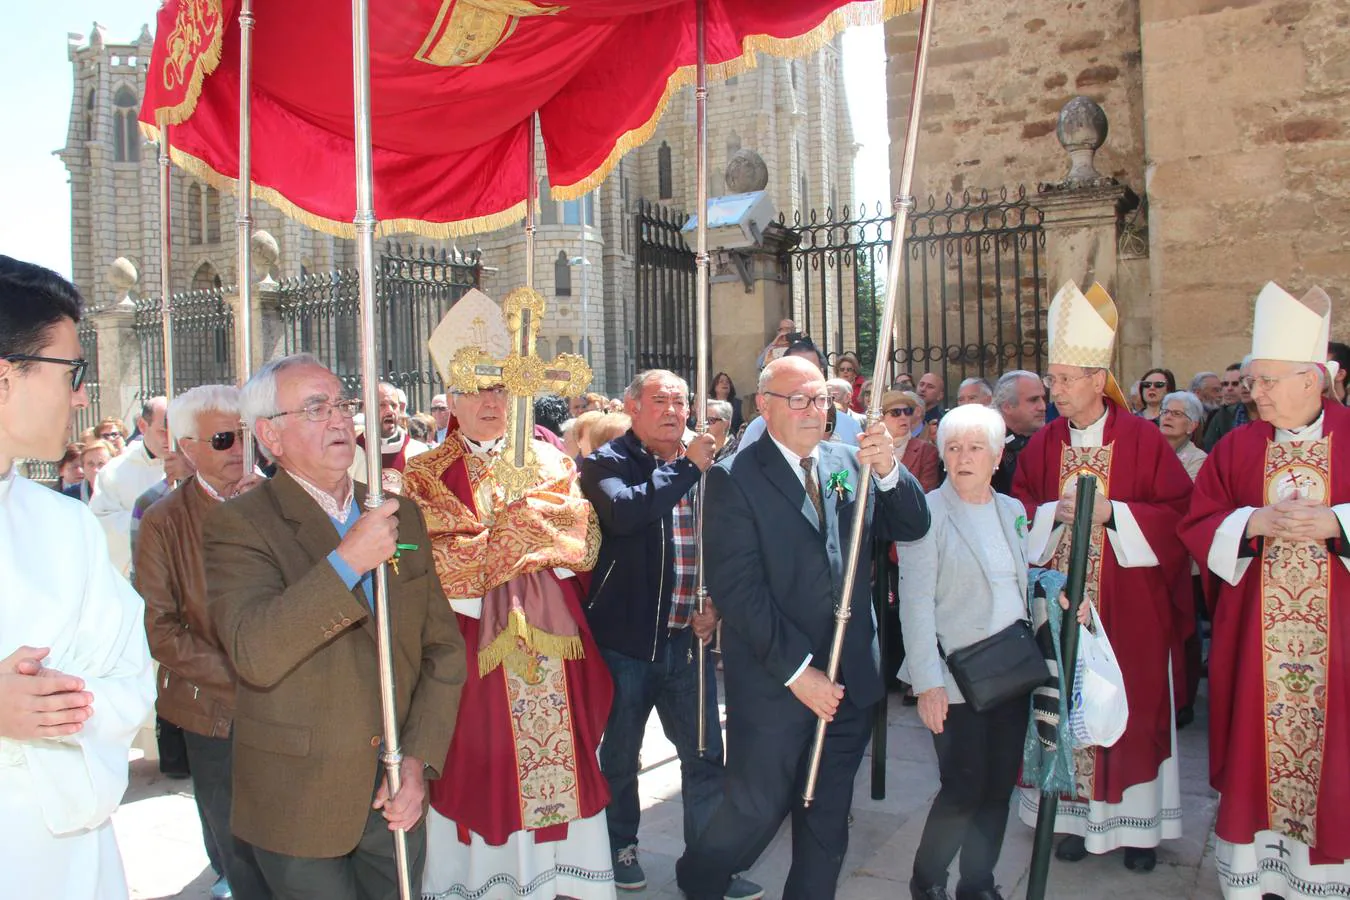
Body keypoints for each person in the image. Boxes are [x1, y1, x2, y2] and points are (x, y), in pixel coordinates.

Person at [203, 353, 467, 899]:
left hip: (395, 787)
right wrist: (347, 561)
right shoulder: (238, 525)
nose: (341, 418)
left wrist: (418, 759)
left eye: (343, 403)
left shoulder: (400, 513)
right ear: (269, 436)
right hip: (300, 797)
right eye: (316, 408)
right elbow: (255, 649)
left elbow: (441, 648)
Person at [674, 356, 930, 900]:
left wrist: (888, 472)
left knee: (825, 820)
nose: (816, 411)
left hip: (850, 680)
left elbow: (912, 524)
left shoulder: (846, 461)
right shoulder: (733, 478)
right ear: (765, 406)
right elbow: (739, 591)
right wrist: (799, 673)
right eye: (800, 400)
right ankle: (698, 880)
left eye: (823, 400)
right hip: (775, 683)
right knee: (756, 810)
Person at [404, 371, 617, 900]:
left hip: (549, 653)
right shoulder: (424, 474)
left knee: (560, 768)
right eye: (473, 390)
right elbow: (420, 559)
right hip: (468, 649)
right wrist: (518, 539)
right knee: (476, 768)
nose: (488, 401)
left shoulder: (550, 461)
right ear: (451, 400)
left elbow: (580, 542)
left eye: (499, 389)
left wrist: (500, 542)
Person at [1012, 282, 1193, 872]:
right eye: (1052, 379)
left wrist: (1116, 514)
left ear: (1097, 378)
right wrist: (1049, 515)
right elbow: (1019, 514)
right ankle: (1073, 819)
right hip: (1065, 605)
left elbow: (1180, 517)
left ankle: (1138, 831)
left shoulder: (1143, 440)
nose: (1054, 391)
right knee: (1068, 708)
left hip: (1131, 607)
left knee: (1133, 711)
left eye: (1064, 379)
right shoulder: (1043, 444)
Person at [1179, 283, 1350, 900]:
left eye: (1270, 380)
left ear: (1314, 379)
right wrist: (1251, 523)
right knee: (1257, 747)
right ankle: (1257, 878)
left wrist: (1341, 523)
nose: (1256, 392)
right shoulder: (1240, 446)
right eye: (1253, 381)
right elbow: (1197, 523)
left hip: (1341, 648)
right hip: (1257, 640)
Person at [0, 254, 155, 899]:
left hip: (72, 851)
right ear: (4, 377)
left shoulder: (64, 525)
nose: (83, 394)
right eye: (72, 371)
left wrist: (59, 707)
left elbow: (129, 669)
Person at [580, 370, 760, 897]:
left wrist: (717, 604)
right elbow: (625, 513)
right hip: (627, 642)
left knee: (704, 754)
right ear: (633, 408)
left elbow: (728, 543)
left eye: (680, 403)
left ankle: (707, 865)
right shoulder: (606, 463)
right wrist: (686, 468)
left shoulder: (709, 463)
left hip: (689, 638)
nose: (672, 412)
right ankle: (620, 845)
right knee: (620, 755)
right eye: (659, 401)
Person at [898, 403, 1047, 900]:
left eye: (976, 447)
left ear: (998, 455)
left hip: (1010, 672)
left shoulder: (1012, 510)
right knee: (962, 789)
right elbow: (915, 603)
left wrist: (1059, 593)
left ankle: (977, 884)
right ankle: (928, 882)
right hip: (954, 676)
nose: (963, 457)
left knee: (997, 789)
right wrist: (928, 683)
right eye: (954, 448)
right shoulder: (927, 512)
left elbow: (1018, 583)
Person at [135, 385, 270, 900]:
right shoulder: (163, 522)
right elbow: (159, 628)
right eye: (222, 439)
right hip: (217, 710)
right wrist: (243, 680)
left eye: (244, 436)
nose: (238, 449)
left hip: (291, 703)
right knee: (240, 849)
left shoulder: (283, 501)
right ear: (187, 448)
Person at [1159, 390, 1209, 730]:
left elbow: (1185, 505)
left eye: (1177, 413)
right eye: (1165, 410)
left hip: (1185, 559)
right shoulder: (1152, 452)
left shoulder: (1199, 461)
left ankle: (1185, 699)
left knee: (1186, 631)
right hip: (1154, 553)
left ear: (1192, 425)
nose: (1167, 416)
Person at [90, 395, 170, 576]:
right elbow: (102, 524)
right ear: (143, 426)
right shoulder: (115, 472)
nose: (170, 439)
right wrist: (152, 524)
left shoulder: (192, 464)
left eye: (175, 431)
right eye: (163, 431)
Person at [351, 381, 430, 494]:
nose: (390, 411)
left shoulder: (418, 452)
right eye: (382, 405)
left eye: (394, 405)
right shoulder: (353, 452)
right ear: (366, 409)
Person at [990, 370, 1046, 495]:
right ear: (1007, 407)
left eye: (1043, 398)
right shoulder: (986, 443)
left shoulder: (1050, 439)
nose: (1043, 407)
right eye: (1033, 400)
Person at [880, 388, 940, 492]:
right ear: (881, 418)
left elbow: (925, 493)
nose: (903, 417)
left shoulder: (926, 450)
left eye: (907, 411)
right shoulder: (872, 449)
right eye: (896, 412)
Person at [1203, 360, 1259, 451]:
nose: (1229, 388)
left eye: (1235, 383)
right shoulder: (1221, 416)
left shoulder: (1271, 415)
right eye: (1225, 384)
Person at [66, 438, 113, 503]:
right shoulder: (70, 497)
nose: (95, 470)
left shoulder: (124, 493)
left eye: (101, 464)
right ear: (83, 467)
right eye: (90, 464)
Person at [916, 372, 946, 438]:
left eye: (930, 387)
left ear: (940, 395)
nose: (923, 389)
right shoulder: (907, 415)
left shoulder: (942, 422)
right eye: (921, 384)